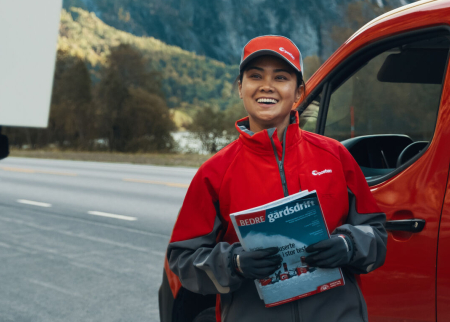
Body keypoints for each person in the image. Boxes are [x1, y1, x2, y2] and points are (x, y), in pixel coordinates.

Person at [166, 35, 387, 321]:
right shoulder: (214, 173)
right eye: (255, 75)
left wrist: (348, 245)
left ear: (298, 93)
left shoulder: (335, 157)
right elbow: (183, 259)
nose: (266, 86)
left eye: (280, 77)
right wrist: (233, 264)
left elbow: (378, 235)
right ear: (240, 88)